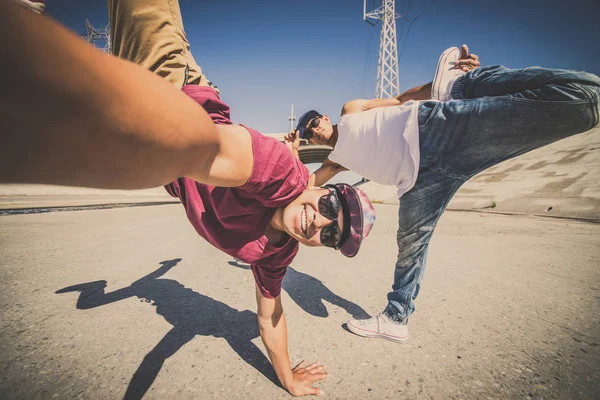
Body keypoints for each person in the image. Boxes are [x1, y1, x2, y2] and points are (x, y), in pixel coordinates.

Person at [290, 45, 600, 343]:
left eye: (315, 122)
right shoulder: (335, 162)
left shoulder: (350, 110)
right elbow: (304, 184)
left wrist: (442, 86)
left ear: (325, 118)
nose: (314, 130)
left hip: (431, 131)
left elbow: (399, 99)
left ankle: (462, 83)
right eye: (308, 132)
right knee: (411, 246)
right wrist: (291, 153)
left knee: (579, 98)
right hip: (417, 182)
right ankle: (396, 318)